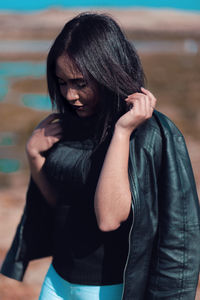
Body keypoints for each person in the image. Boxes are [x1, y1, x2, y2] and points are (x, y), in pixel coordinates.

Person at [1, 12, 200, 300]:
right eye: (62, 82)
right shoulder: (67, 124)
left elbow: (108, 218)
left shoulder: (147, 134)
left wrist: (121, 132)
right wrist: (34, 155)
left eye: (80, 83)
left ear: (107, 73)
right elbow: (59, 202)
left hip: (106, 290)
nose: (69, 95)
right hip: (56, 282)